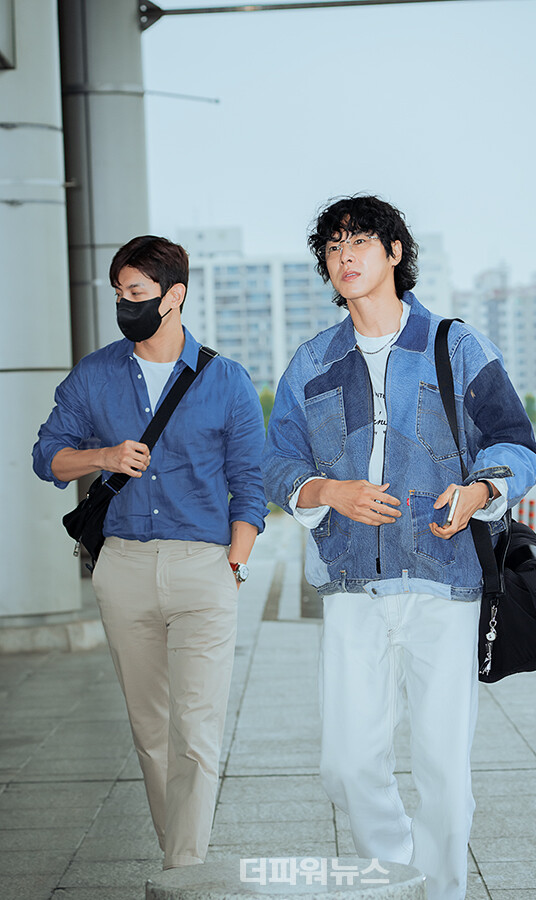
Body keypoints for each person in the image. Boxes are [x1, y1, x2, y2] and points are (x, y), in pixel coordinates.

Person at [262, 196, 536, 900]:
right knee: (348, 766)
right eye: (332, 247)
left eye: (359, 241)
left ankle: (439, 892)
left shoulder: (456, 344)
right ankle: (398, 876)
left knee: (444, 770)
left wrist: (480, 491)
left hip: (445, 582)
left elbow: (515, 441)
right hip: (352, 583)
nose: (344, 255)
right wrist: (329, 490)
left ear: (393, 253)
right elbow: (277, 462)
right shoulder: (313, 363)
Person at [33, 235, 268, 870]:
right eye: (118, 295)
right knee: (150, 730)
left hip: (204, 567)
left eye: (136, 294)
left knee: (197, 728)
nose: (125, 305)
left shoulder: (226, 380)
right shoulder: (95, 375)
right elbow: (46, 456)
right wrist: (103, 457)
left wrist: (236, 561)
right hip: (125, 569)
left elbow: (251, 483)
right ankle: (181, 854)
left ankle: (182, 868)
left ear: (175, 296)